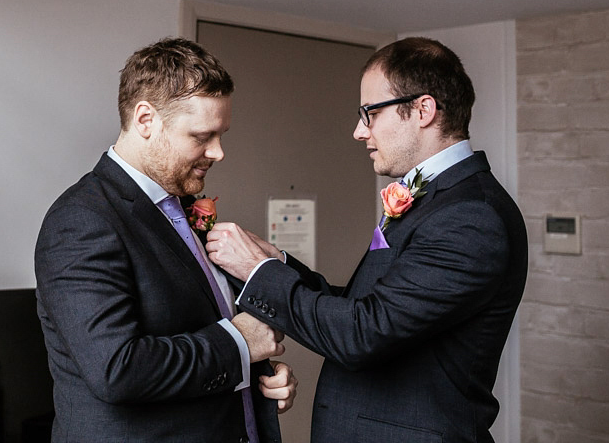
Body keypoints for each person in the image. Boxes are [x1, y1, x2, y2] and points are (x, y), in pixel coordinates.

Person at [206, 36, 527, 443]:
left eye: (369, 113)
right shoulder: (439, 199)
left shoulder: (470, 216)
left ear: (423, 110)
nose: (359, 131)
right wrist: (281, 264)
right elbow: (372, 308)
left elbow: (363, 334)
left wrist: (258, 272)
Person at [34, 37, 297, 443]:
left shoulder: (182, 206)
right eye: (202, 136)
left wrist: (257, 373)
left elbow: (198, 325)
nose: (219, 152)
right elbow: (117, 370)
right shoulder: (81, 222)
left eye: (222, 134)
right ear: (145, 119)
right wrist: (241, 345)